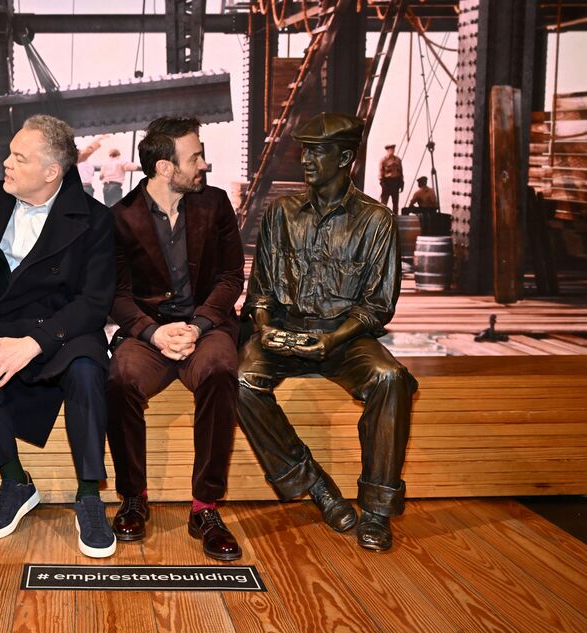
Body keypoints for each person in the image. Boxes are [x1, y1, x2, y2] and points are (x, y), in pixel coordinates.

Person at [0, 115, 118, 558]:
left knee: (88, 371)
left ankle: (90, 495)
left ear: (52, 172)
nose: (7, 163)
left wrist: (35, 343)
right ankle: (15, 482)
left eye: (19, 157)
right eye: (10, 153)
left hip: (63, 329)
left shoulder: (94, 220)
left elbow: (94, 304)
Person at [237, 113, 418, 552]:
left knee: (390, 379)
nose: (306, 159)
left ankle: (376, 509)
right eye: (305, 149)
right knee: (240, 380)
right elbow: (260, 291)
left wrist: (333, 340)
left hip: (346, 338)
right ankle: (315, 485)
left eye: (318, 151)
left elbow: (377, 306)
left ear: (346, 158)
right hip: (285, 332)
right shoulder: (280, 213)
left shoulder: (376, 221)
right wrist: (263, 329)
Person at [106, 117, 245, 561]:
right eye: (195, 157)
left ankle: (205, 507)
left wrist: (200, 324)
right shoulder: (120, 218)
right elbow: (116, 294)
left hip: (205, 328)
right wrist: (153, 331)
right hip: (148, 332)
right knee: (120, 378)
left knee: (222, 370)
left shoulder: (216, 204)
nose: (204, 164)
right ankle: (134, 497)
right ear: (165, 168)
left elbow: (230, 277)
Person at [379, 143, 404, 214]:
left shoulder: (398, 160)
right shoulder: (383, 160)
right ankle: (383, 216)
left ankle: (395, 216)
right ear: (387, 150)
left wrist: (402, 183)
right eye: (390, 150)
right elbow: (380, 172)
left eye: (393, 150)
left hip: (396, 182)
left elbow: (401, 172)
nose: (392, 151)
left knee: (395, 202)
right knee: (384, 201)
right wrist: (382, 182)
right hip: (387, 182)